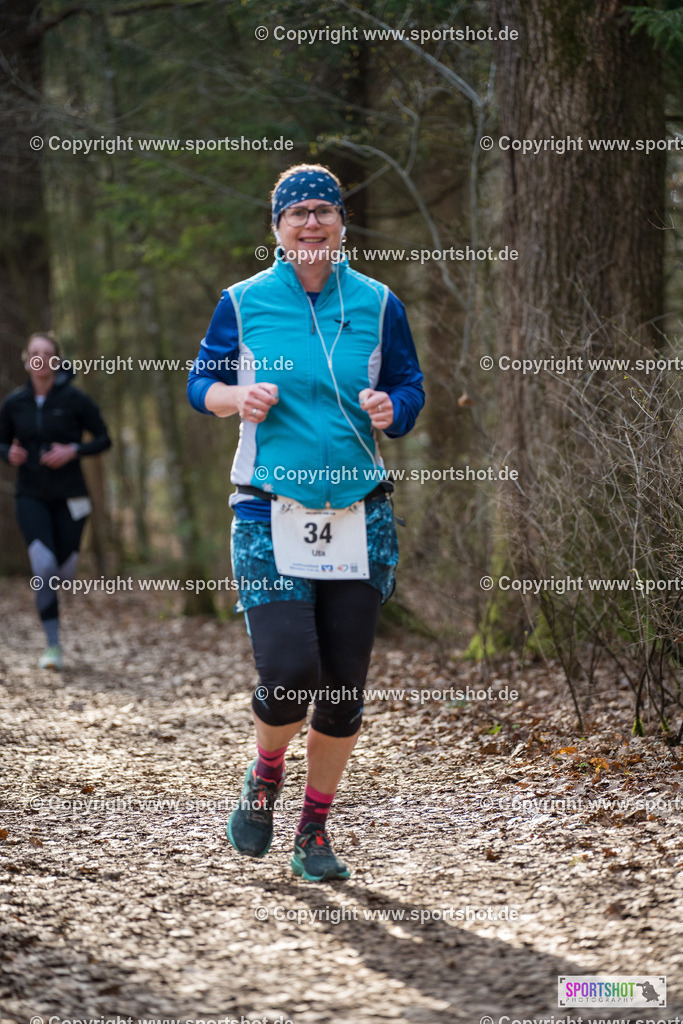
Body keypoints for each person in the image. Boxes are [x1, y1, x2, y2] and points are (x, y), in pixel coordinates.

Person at [187, 164, 425, 882]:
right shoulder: (243, 301)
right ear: (277, 229)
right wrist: (234, 398)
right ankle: (264, 774)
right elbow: (201, 382)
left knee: (343, 691)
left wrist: (395, 410)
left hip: (358, 511)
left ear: (341, 224)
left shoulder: (378, 303)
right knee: (290, 672)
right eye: (298, 214)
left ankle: (312, 831)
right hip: (268, 508)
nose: (312, 223)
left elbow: (408, 383)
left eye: (324, 211)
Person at [0, 332, 111, 669]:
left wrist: (73, 450)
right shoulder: (14, 403)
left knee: (62, 574)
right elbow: (2, 443)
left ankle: (58, 594)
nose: (40, 358)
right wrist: (11, 453)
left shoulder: (75, 401)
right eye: (34, 352)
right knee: (44, 567)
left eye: (46, 353)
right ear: (26, 360)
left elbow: (104, 438)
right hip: (30, 494)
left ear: (56, 361)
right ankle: (53, 647)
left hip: (71, 497)